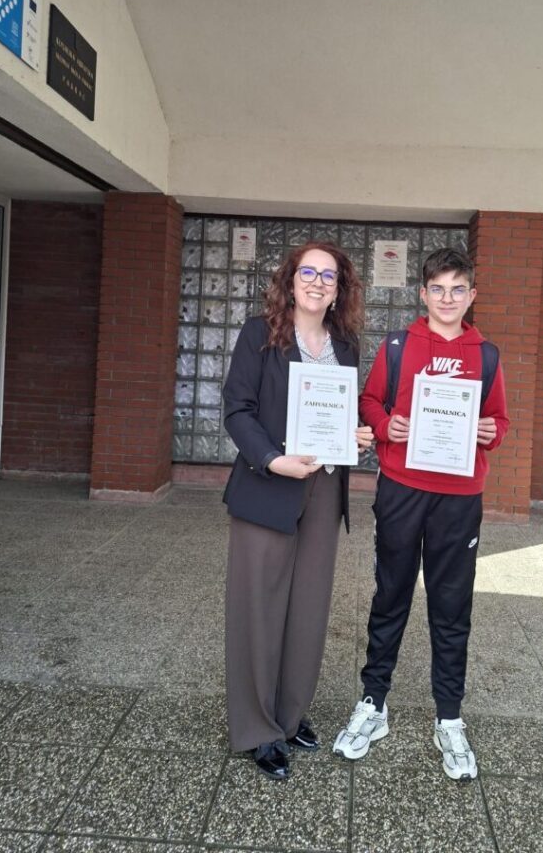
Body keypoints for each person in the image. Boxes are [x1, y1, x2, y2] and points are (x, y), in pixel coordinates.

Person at [333, 247, 509, 780]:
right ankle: (374, 703)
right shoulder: (397, 346)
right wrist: (387, 425)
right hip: (402, 490)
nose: (447, 298)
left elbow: (498, 420)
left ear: (471, 296)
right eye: (438, 289)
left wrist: (490, 432)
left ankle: (449, 717)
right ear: (423, 294)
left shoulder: (487, 355)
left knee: (451, 606)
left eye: (458, 289)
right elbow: (369, 402)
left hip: (459, 497)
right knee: (390, 595)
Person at [222, 241, 373, 781]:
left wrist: (356, 435)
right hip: (269, 486)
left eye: (328, 276)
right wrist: (271, 459)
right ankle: (256, 727)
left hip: (324, 489)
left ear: (338, 290)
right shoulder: (259, 334)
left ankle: (289, 716)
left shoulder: (346, 345)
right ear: (290, 280)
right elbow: (237, 410)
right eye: (308, 272)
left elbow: (341, 415)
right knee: (258, 608)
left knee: (308, 608)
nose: (317, 282)